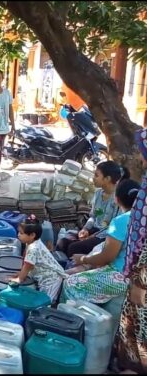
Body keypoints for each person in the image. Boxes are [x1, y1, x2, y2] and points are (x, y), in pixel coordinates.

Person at [62, 178, 140, 304]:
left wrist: (83, 259)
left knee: (70, 284)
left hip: (122, 276)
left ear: (117, 199)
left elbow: (106, 258)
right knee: (97, 249)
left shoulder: (121, 221)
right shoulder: (141, 217)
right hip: (138, 273)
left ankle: (69, 318)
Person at [114, 129, 147, 373]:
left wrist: (140, 283)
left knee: (139, 327)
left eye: (144, 153)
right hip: (137, 271)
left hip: (143, 279)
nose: (141, 159)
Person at [57, 161, 125, 257]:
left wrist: (93, 236)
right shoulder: (98, 194)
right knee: (62, 243)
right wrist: (85, 229)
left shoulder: (118, 199)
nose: (93, 178)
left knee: (73, 248)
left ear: (107, 179)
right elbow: (94, 216)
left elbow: (114, 227)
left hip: (106, 237)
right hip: (94, 231)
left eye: (96, 175)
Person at [12, 215, 67, 303]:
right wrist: (21, 274)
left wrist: (19, 279)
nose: (18, 235)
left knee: (44, 302)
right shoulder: (33, 242)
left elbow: (27, 266)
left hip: (50, 280)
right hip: (46, 276)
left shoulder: (33, 248)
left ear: (32, 235)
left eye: (21, 233)